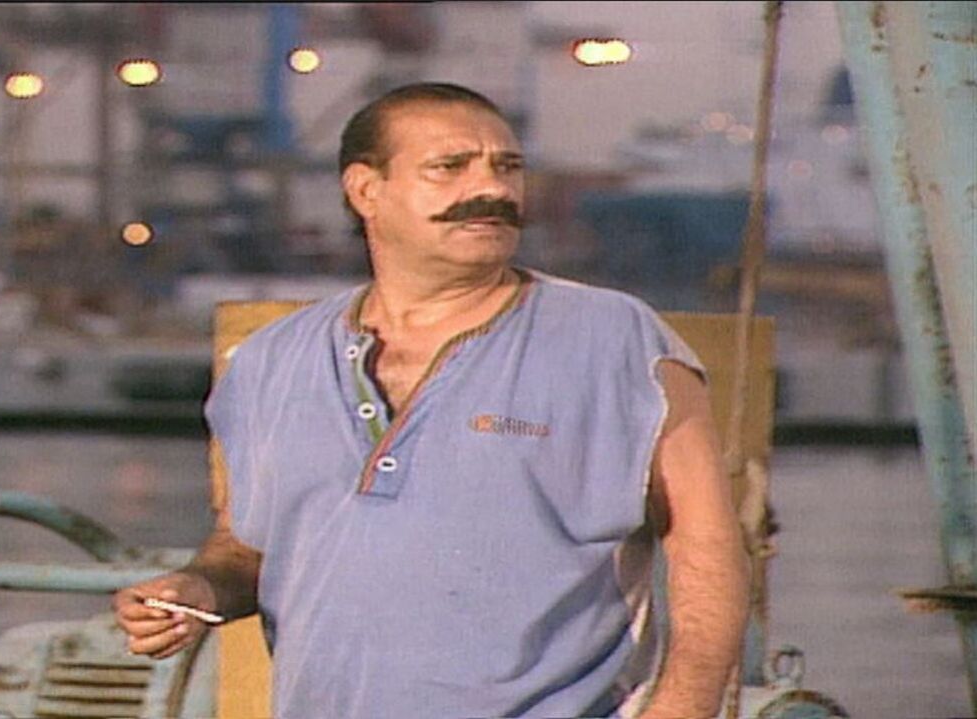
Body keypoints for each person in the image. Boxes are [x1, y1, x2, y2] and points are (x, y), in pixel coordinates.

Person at [115, 82, 748, 718]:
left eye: (507, 167)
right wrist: (195, 591)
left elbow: (708, 550)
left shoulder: (620, 344)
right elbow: (246, 546)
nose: (491, 188)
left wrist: (680, 713)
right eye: (450, 167)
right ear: (366, 190)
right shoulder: (269, 362)